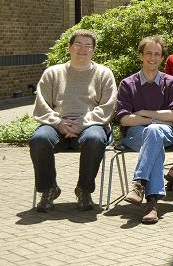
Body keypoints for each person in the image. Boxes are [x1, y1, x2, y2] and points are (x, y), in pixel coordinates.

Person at [30, 29, 117, 212]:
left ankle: (84, 190)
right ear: (69, 47)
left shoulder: (103, 73)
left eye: (88, 46)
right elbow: (41, 105)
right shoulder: (52, 73)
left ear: (93, 50)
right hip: (57, 126)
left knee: (94, 139)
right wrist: (58, 123)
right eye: (78, 44)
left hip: (89, 125)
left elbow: (108, 107)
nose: (83, 49)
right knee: (39, 139)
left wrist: (80, 123)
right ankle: (49, 189)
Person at [115, 36, 173, 224]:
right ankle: (152, 202)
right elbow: (124, 118)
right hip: (135, 135)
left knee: (153, 132)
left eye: (157, 54)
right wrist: (158, 118)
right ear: (141, 56)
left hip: (166, 134)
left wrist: (145, 114)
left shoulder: (171, 82)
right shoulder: (128, 84)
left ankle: (139, 184)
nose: (152, 58)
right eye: (148, 53)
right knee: (154, 135)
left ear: (162, 58)